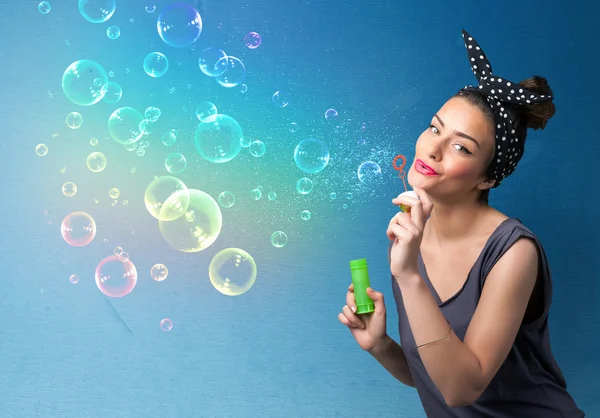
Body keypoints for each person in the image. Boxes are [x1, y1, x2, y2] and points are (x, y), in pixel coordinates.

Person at [338, 29, 585, 417]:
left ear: (488, 178)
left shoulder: (514, 252)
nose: (432, 149)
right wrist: (381, 346)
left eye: (461, 146)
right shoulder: (410, 233)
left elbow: (461, 389)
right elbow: (434, 373)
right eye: (435, 128)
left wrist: (407, 275)